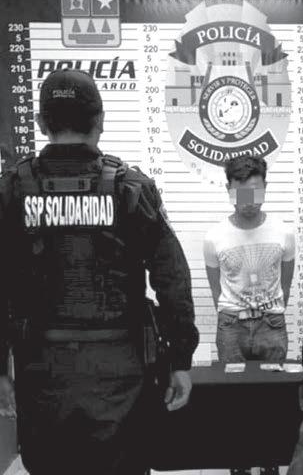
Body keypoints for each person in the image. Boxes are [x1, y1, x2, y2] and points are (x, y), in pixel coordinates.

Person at [0, 69, 199, 475]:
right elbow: (172, 280)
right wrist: (180, 359)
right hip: (121, 375)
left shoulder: (11, 190)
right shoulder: (131, 188)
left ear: (40, 122)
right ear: (101, 120)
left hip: (43, 373)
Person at [204, 155, 295, 475]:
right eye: (241, 193)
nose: (249, 201)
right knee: (234, 403)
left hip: (272, 323)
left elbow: (286, 282)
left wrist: (271, 310)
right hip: (231, 326)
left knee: (274, 401)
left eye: (255, 192)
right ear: (229, 190)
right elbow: (216, 287)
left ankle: (270, 462)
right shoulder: (214, 237)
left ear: (265, 188)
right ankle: (239, 464)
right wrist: (232, 313)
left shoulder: (283, 232)